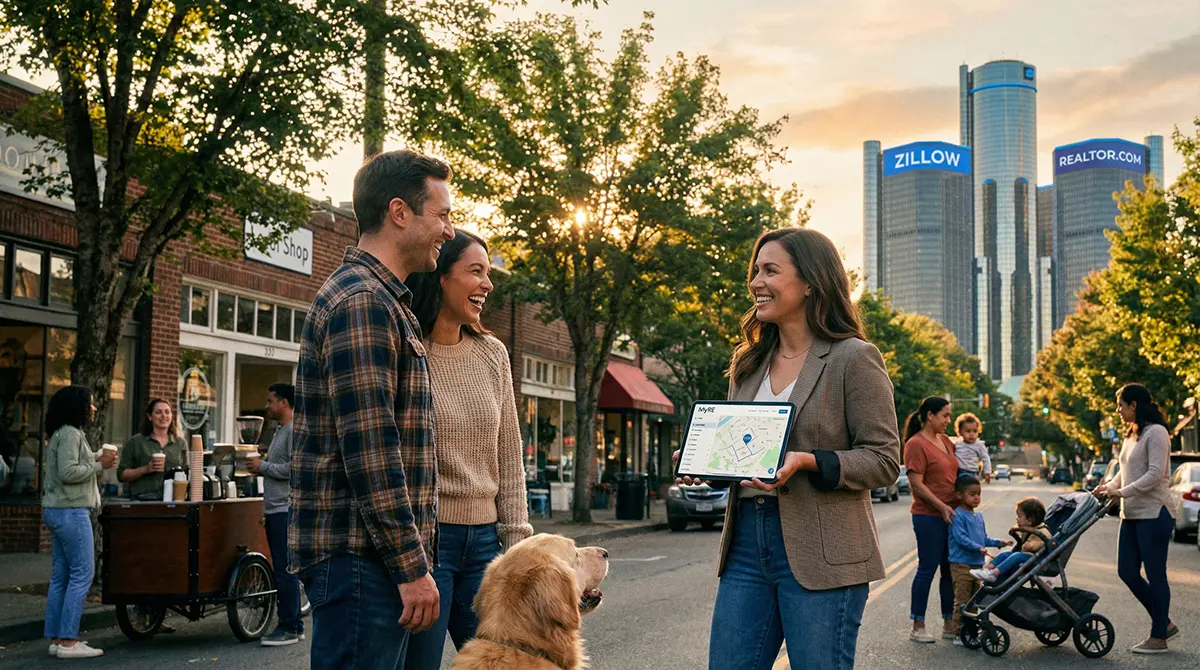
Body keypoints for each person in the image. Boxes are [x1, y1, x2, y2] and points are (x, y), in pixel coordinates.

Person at [679, 228, 901, 670]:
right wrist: (706, 461)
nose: (756, 282)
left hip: (824, 552)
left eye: (770, 271)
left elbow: (884, 460)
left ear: (810, 282)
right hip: (745, 544)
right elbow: (742, 449)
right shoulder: (749, 363)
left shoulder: (853, 358)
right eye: (754, 271)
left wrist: (808, 461)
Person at [290, 149, 454, 670]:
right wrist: (411, 567)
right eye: (442, 214)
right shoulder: (363, 302)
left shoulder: (384, 300)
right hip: (364, 564)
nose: (448, 230)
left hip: (372, 560)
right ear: (400, 213)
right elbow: (372, 453)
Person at [403, 229, 533, 667]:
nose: (487, 284)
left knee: (502, 663)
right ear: (441, 276)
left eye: (489, 273)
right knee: (419, 663)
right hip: (428, 540)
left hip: (485, 546)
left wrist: (517, 546)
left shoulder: (493, 353)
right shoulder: (409, 351)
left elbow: (509, 454)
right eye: (475, 271)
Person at [1094, 383, 1179, 654]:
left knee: (1156, 576)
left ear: (1134, 405)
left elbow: (1155, 474)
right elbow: (1126, 471)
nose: (1118, 410)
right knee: (1127, 571)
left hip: (1154, 513)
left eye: (1121, 405)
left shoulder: (1157, 433)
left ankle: (1158, 637)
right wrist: (1109, 486)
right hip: (1130, 513)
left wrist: (1121, 492)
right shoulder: (1132, 435)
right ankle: (1163, 622)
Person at [42, 386, 117, 659]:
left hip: (57, 510)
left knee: (61, 577)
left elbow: (72, 463)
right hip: (71, 511)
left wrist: (97, 456)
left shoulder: (62, 433)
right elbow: (68, 472)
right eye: (91, 404)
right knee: (82, 574)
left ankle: (56, 638)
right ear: (78, 407)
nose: (94, 409)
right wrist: (100, 466)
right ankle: (69, 642)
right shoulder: (72, 434)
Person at [249, 383, 304, 647]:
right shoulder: (280, 430)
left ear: (284, 402)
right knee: (283, 569)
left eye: (271, 401)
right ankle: (291, 623)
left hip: (285, 509)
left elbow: (297, 468)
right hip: (275, 508)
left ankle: (290, 626)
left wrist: (264, 466)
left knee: (285, 571)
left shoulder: (294, 429)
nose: (267, 405)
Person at [904, 396, 959, 644]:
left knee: (950, 571)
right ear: (930, 415)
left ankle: (949, 624)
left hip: (951, 515)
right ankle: (918, 626)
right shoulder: (916, 445)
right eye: (945, 415)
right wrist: (941, 506)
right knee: (927, 569)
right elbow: (917, 484)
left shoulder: (946, 441)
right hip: (928, 516)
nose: (949, 420)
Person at [947, 474, 1010, 641]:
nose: (977, 498)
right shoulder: (957, 515)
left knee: (974, 600)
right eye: (972, 494)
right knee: (962, 600)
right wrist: (978, 547)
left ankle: (970, 631)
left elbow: (982, 538)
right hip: (961, 564)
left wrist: (998, 542)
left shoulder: (978, 516)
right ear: (959, 495)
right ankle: (959, 633)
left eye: (979, 494)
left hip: (977, 565)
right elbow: (961, 538)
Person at [117, 399, 188, 500]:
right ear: (150, 417)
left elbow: (187, 472)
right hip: (142, 501)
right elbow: (121, 475)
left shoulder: (180, 443)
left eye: (167, 412)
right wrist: (145, 469)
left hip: (173, 500)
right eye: (158, 412)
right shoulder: (136, 442)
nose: (164, 416)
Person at [970, 497, 1047, 583]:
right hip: (1028, 556)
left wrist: (1032, 545)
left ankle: (993, 574)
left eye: (1019, 516)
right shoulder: (1030, 527)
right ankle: (986, 570)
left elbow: (1044, 541)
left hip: (1037, 559)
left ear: (1029, 520)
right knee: (1005, 554)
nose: (1017, 519)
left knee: (1016, 556)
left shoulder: (1042, 530)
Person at [953, 413, 991, 482]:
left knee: (973, 490)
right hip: (960, 472)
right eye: (968, 431)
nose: (972, 434)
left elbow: (985, 458)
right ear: (960, 432)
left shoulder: (979, 445)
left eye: (975, 431)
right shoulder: (957, 444)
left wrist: (987, 472)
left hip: (973, 473)